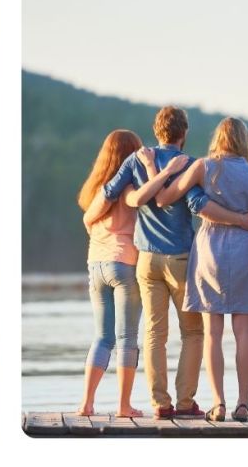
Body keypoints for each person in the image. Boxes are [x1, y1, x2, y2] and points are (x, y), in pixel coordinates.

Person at [100, 106, 248, 419]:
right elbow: (198, 204)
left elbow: (110, 191)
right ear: (184, 134)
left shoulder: (136, 160)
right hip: (181, 258)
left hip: (146, 259)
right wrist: (241, 220)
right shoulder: (187, 163)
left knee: (155, 333)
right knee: (194, 333)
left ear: (157, 131)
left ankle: (160, 404)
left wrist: (96, 216)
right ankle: (185, 403)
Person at [147, 117, 248, 422]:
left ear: (219, 139)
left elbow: (165, 198)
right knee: (243, 332)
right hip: (243, 250)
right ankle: (243, 403)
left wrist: (159, 172)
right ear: (243, 140)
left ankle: (219, 403)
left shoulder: (202, 167)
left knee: (212, 333)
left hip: (210, 248)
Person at [75, 129, 176, 417]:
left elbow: (87, 220)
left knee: (101, 337)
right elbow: (155, 200)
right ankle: (123, 406)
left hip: (96, 265)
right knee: (127, 338)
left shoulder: (97, 188)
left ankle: (86, 403)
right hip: (126, 264)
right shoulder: (131, 187)